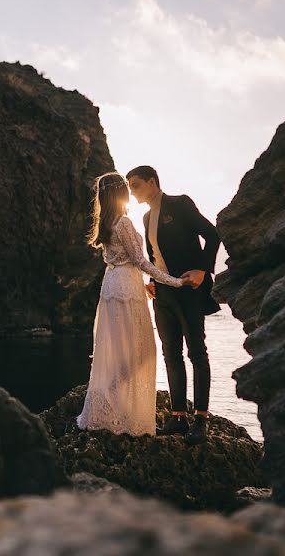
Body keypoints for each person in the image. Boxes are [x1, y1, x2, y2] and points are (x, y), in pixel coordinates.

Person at [76, 172, 190, 436]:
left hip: (112, 286)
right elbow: (140, 261)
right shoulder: (124, 222)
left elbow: (121, 260)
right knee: (140, 352)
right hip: (125, 288)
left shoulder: (105, 223)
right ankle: (124, 414)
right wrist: (173, 281)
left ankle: (111, 407)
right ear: (120, 193)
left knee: (118, 351)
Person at [127, 165, 221, 445]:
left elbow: (212, 234)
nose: (132, 192)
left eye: (136, 185)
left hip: (190, 289)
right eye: (129, 187)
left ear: (152, 182)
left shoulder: (180, 204)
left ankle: (201, 419)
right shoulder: (144, 218)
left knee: (197, 353)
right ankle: (178, 416)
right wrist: (152, 281)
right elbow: (155, 257)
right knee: (171, 355)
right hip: (164, 295)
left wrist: (202, 270)